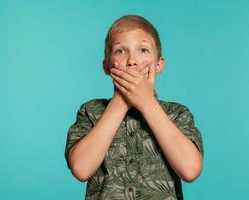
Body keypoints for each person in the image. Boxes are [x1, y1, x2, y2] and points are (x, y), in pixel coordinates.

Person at [64, 15, 204, 200]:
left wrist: (147, 103)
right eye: (120, 51)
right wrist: (121, 100)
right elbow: (81, 169)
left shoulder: (177, 114)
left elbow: (190, 170)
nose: (132, 61)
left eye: (143, 50)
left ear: (159, 64)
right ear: (106, 66)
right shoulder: (90, 111)